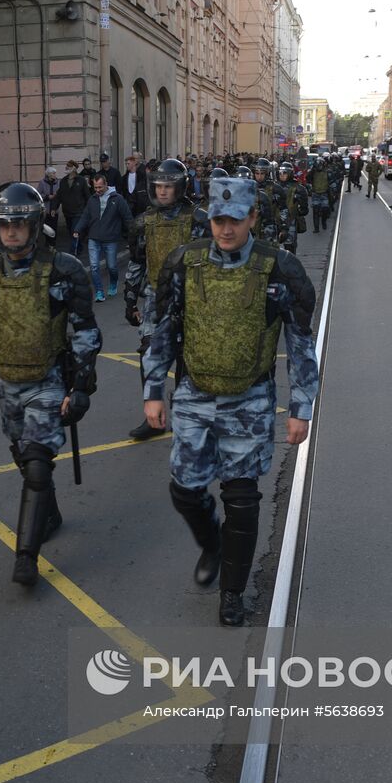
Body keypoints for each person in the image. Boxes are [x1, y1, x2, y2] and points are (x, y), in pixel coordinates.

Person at [142, 178, 319, 626]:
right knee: (184, 490)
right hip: (194, 396)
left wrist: (302, 407)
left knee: (242, 499)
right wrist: (152, 392)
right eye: (218, 220)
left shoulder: (280, 269)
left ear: (253, 218)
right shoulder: (185, 262)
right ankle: (212, 544)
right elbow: (162, 328)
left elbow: (300, 343)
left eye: (235, 220)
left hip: (250, 400)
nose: (225, 229)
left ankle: (233, 592)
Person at [0, 184, 101, 586]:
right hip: (6, 383)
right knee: (25, 460)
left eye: (20, 225)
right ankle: (48, 514)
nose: (12, 234)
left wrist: (82, 385)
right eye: (5, 227)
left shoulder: (64, 269)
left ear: (34, 226)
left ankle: (26, 557)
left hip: (49, 380)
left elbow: (86, 329)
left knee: (37, 464)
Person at [122, 158, 209, 440]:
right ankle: (153, 415)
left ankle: (185, 412)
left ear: (180, 187)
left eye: (168, 187)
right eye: (158, 186)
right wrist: (130, 297)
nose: (162, 192)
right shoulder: (143, 223)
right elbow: (137, 262)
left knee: (187, 356)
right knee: (149, 353)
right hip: (154, 298)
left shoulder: (198, 220)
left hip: (192, 298)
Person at [72, 172, 134, 302]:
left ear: (106, 185)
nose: (98, 190)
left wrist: (133, 232)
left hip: (110, 238)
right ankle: (99, 292)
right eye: (95, 187)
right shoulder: (92, 199)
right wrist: (77, 229)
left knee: (111, 266)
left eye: (100, 187)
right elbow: (85, 216)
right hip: (93, 238)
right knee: (94, 266)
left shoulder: (117, 199)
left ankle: (113, 282)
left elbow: (127, 217)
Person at [57, 161, 91, 256]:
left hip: (79, 211)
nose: (66, 168)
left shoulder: (81, 180)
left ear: (74, 168)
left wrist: (89, 208)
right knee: (72, 231)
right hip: (67, 211)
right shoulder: (63, 181)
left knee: (75, 231)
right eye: (66, 166)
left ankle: (73, 252)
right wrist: (53, 208)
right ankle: (79, 246)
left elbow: (87, 195)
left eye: (69, 167)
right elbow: (59, 195)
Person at [36, 166, 60, 243]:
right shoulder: (42, 182)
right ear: (48, 174)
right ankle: (47, 242)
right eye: (53, 173)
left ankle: (52, 244)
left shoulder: (58, 182)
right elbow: (38, 194)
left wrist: (57, 195)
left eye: (55, 173)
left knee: (54, 227)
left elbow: (60, 194)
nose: (55, 174)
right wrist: (47, 197)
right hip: (45, 209)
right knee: (46, 227)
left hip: (55, 209)